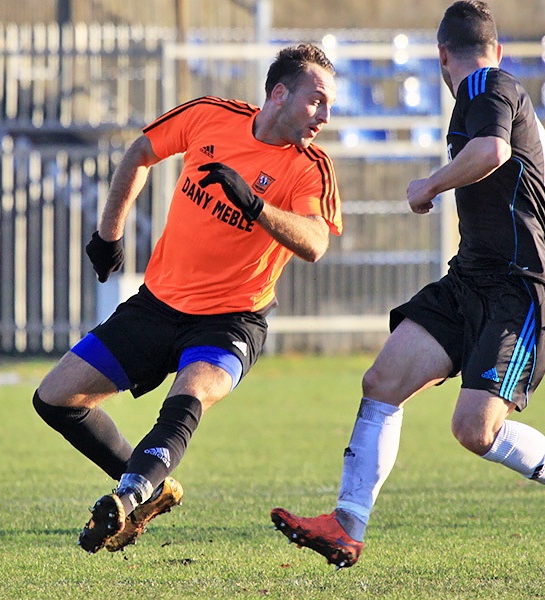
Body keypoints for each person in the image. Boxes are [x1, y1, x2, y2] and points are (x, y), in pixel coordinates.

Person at [271, 1, 545, 570]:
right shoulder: (517, 104)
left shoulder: (484, 86)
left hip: (513, 294)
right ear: (497, 46)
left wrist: (429, 185)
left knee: (474, 430)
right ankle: (346, 526)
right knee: (382, 380)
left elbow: (492, 152)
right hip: (471, 282)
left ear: (441, 56)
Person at [32, 43, 342, 554]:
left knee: (189, 395)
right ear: (280, 94)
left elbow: (314, 242)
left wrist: (255, 205)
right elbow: (141, 152)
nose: (325, 116)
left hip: (232, 320)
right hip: (158, 304)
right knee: (55, 397)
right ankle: (150, 484)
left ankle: (129, 497)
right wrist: (109, 234)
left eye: (330, 106)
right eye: (317, 101)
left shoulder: (311, 168)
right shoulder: (208, 117)